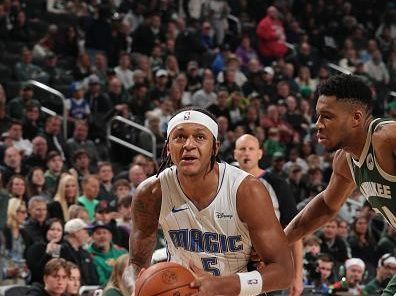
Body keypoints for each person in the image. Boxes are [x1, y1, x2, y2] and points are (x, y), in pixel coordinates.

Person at [125, 108, 293, 295]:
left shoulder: (246, 190)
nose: (188, 144)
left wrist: (221, 285)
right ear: (167, 148)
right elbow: (135, 264)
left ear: (215, 147)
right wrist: (136, 289)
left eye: (199, 137)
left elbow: (284, 272)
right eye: (179, 137)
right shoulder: (151, 192)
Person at [285, 74, 396, 296]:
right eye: (318, 116)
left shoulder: (388, 138)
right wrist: (280, 242)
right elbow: (326, 205)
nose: (318, 124)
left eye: (327, 116)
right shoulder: (345, 160)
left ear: (356, 118)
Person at [234, 134, 303, 296]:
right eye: (242, 149)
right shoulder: (223, 182)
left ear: (260, 153)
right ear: (235, 154)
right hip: (232, 264)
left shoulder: (278, 184)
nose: (246, 153)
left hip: (268, 266)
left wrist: (297, 276)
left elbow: (296, 230)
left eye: (251, 149)